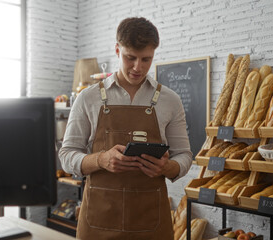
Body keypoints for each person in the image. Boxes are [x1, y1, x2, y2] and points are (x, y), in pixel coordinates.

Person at [59, 17, 192, 240]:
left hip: (150, 221)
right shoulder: (88, 98)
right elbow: (66, 155)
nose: (138, 67)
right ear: (117, 50)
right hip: (98, 220)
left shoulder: (170, 100)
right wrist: (100, 159)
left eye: (146, 59)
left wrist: (166, 167)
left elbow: (185, 155)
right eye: (130, 58)